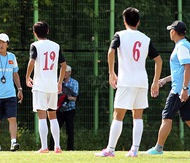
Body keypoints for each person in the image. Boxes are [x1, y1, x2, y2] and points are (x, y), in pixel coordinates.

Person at [94, 7, 162, 157]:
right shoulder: (145, 38)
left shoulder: (120, 35)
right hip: (142, 81)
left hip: (126, 81)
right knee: (138, 116)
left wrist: (111, 72)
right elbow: (158, 60)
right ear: (138, 22)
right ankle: (134, 150)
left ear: (124, 21)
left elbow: (111, 51)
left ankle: (110, 150)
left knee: (118, 115)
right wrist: (155, 81)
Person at [146, 20, 190, 155]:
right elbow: (180, 71)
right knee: (188, 119)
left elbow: (188, 67)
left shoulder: (181, 46)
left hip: (179, 90)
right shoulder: (184, 45)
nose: (170, 32)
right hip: (184, 89)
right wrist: (165, 80)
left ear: (174, 32)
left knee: (166, 117)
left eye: (171, 30)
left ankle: (158, 148)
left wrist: (184, 89)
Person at [26, 21, 67, 153]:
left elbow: (32, 62)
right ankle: (57, 146)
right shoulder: (56, 46)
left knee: (42, 116)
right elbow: (64, 65)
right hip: (52, 86)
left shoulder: (35, 45)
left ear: (34, 33)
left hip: (40, 85)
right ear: (48, 31)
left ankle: (44, 147)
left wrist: (27, 76)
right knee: (53, 115)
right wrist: (60, 82)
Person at [49, 65, 79, 151]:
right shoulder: (57, 82)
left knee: (70, 130)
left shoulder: (74, 83)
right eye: (63, 71)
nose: (64, 73)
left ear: (70, 73)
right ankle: (52, 148)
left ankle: (70, 149)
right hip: (58, 110)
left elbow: (76, 97)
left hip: (70, 110)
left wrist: (69, 98)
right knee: (55, 129)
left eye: (66, 72)